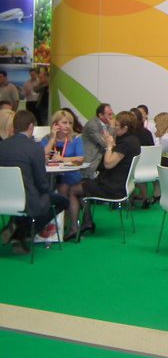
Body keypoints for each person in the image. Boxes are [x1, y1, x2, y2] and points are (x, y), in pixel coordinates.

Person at [0, 111, 69, 255]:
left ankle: (15, 226)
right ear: (31, 126)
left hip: (3, 198)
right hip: (26, 199)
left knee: (35, 197)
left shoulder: (2, 145)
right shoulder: (35, 148)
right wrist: (49, 191)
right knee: (62, 201)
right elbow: (41, 182)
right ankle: (21, 233)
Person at [80, 111, 142, 234]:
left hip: (113, 188)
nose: (114, 127)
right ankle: (86, 222)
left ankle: (85, 222)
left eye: (117, 125)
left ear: (125, 128)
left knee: (73, 189)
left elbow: (108, 164)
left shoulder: (126, 143)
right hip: (121, 184)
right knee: (79, 186)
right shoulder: (133, 140)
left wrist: (108, 146)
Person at [41, 110, 85, 241]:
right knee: (54, 187)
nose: (68, 126)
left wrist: (62, 159)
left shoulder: (76, 139)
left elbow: (80, 158)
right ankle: (58, 225)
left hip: (70, 174)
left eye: (70, 123)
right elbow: (41, 156)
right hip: (50, 176)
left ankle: (71, 227)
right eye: (64, 123)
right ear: (55, 124)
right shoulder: (46, 139)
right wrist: (52, 138)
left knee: (64, 187)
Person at [82, 103, 114, 178]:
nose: (112, 117)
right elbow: (104, 144)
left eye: (112, 114)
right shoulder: (92, 125)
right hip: (92, 158)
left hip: (102, 155)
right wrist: (112, 127)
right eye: (109, 115)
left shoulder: (107, 124)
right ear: (100, 115)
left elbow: (112, 141)